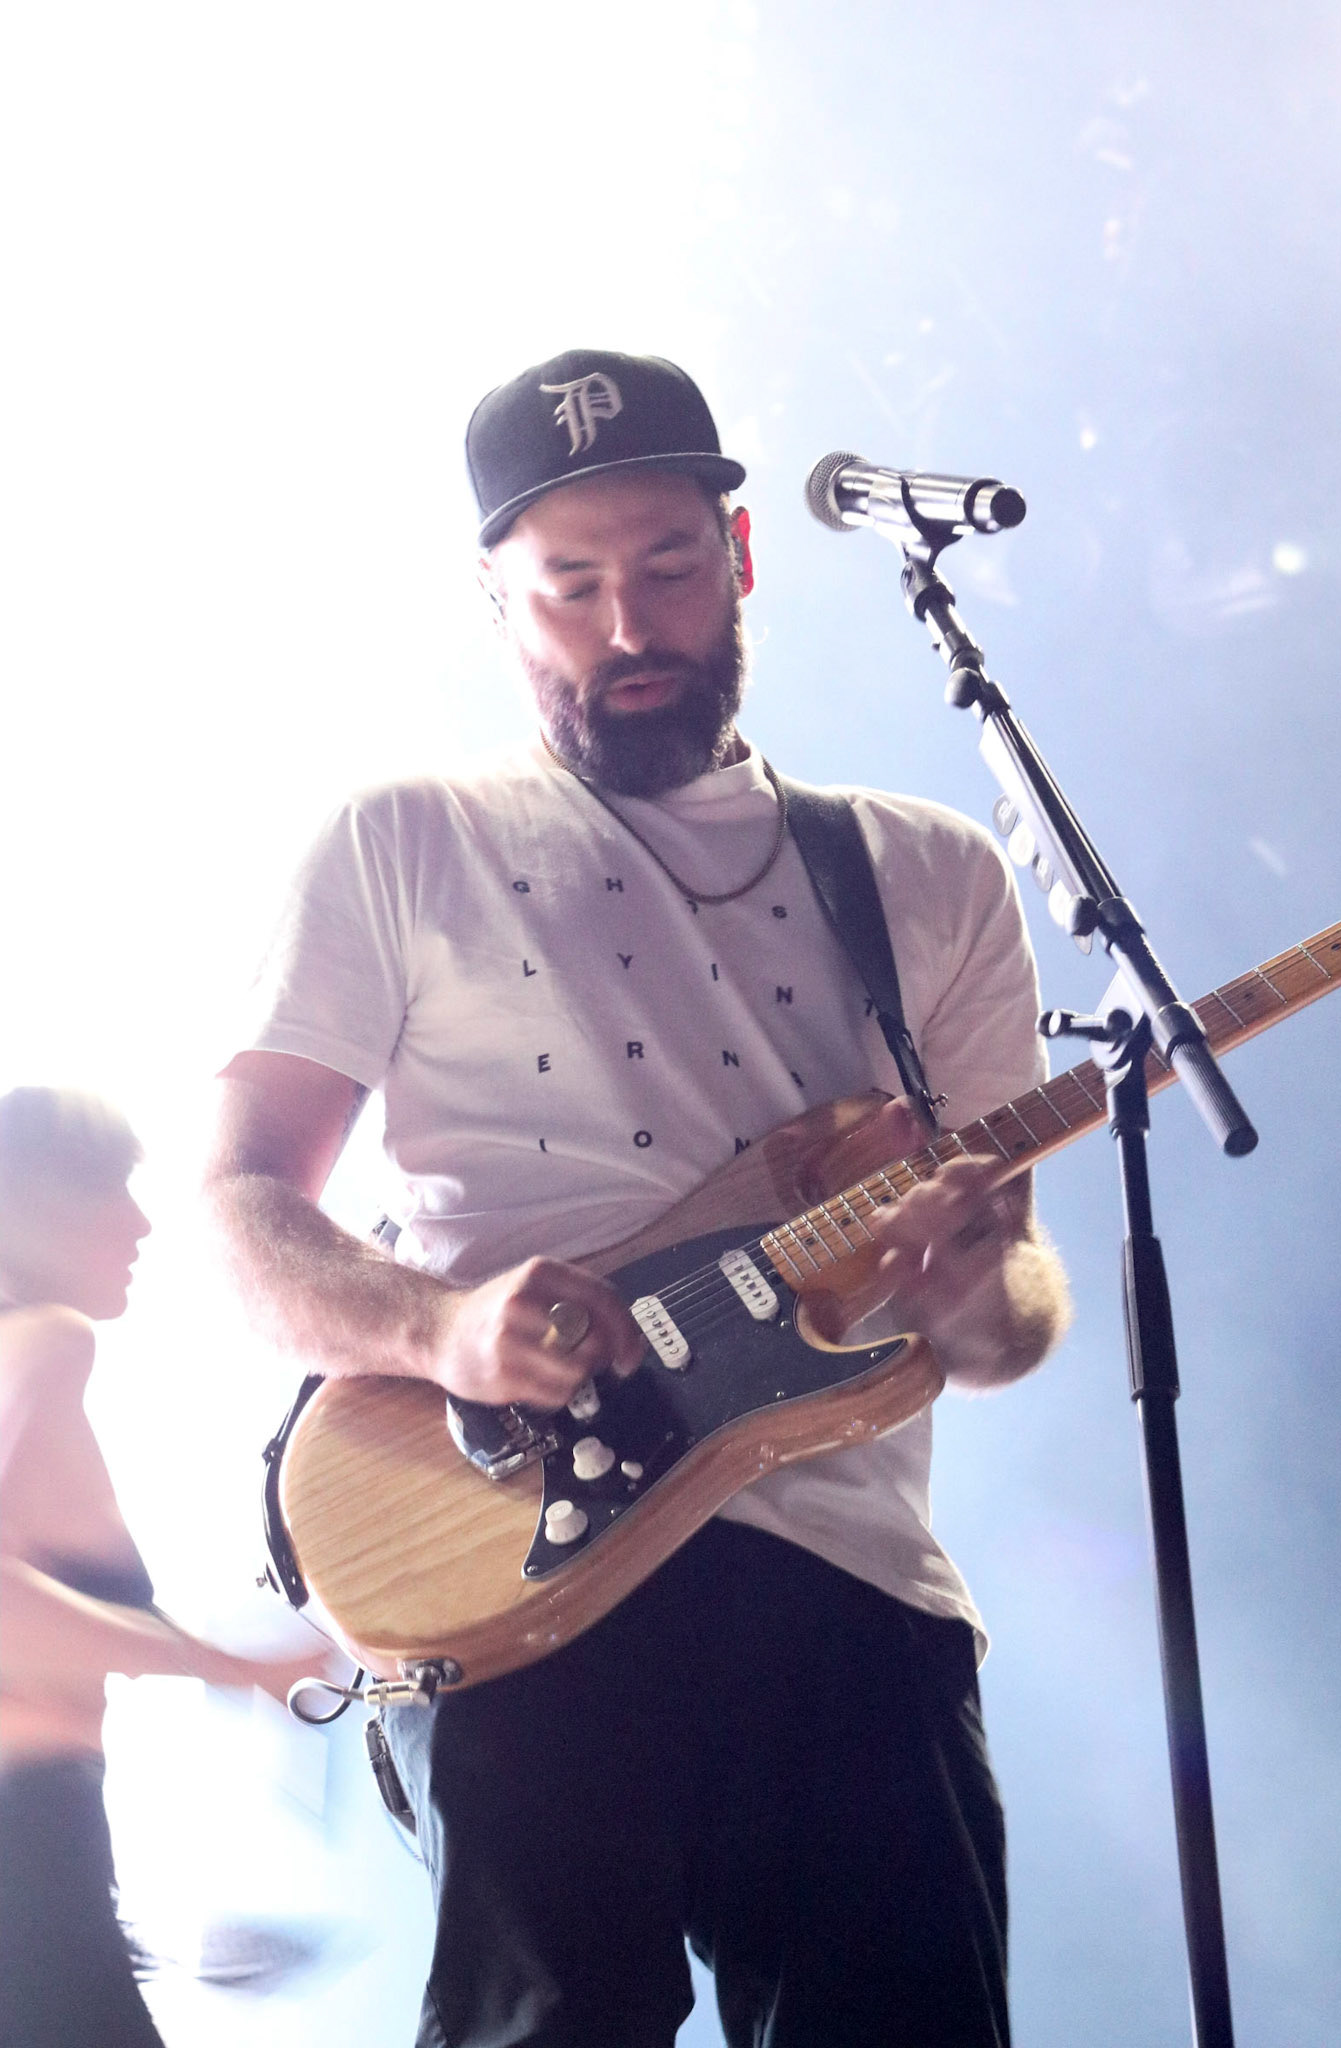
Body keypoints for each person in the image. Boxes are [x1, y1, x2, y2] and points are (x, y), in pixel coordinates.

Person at [204, 348, 1072, 2048]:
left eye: (667, 566)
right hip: (511, 1541)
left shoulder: (924, 873)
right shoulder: (399, 838)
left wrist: (970, 1279)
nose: (625, 626)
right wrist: (439, 1326)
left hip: (849, 1566)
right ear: (495, 599)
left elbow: (1005, 1305)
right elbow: (236, 1204)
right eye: (571, 585)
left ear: (740, 557)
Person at [0, 1085, 327, 2048]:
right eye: (113, 1187)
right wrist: (230, 1667)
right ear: (31, 1206)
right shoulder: (44, 1341)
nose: (143, 1221)